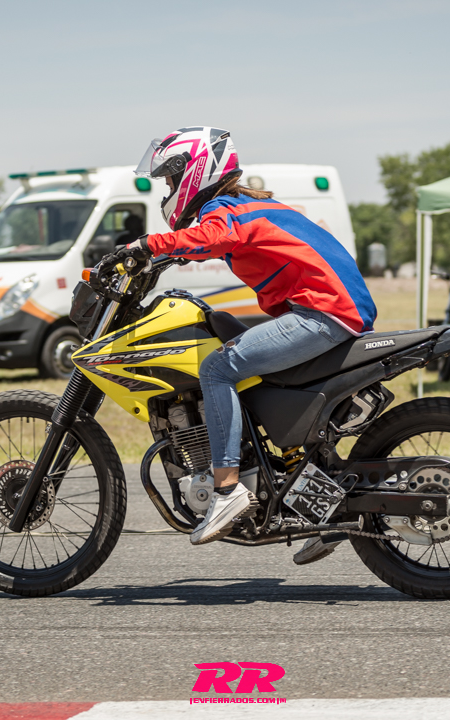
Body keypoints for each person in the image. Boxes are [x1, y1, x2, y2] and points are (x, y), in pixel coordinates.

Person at [109, 126, 376, 564]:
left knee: (217, 369)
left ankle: (228, 489)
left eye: (171, 180)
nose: (169, 191)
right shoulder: (246, 206)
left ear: (195, 171)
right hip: (329, 310)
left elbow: (213, 237)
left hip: (323, 313)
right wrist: (168, 254)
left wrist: (146, 246)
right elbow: (216, 240)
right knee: (257, 376)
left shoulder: (223, 210)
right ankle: (326, 508)